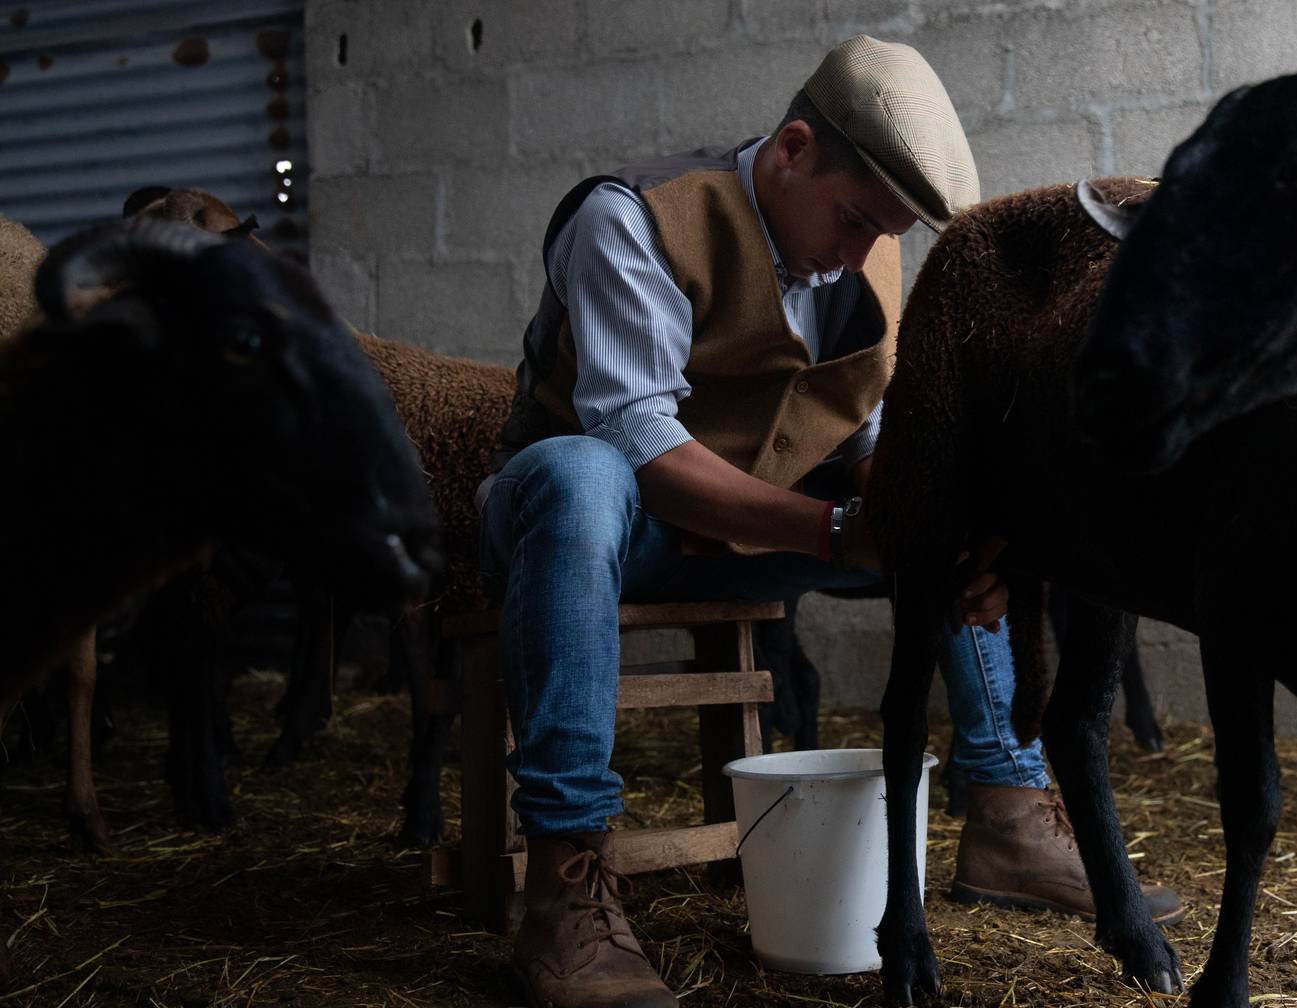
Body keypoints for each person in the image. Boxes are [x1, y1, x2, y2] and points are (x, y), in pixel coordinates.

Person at [480, 35, 1182, 1007]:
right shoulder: (635, 219)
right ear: (794, 148)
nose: (862, 253)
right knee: (578, 474)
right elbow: (641, 445)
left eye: (883, 235)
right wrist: (837, 534)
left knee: (955, 514)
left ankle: (1009, 812)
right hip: (600, 536)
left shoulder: (872, 256)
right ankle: (565, 888)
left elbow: (866, 440)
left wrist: (959, 540)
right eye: (854, 219)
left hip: (755, 538)